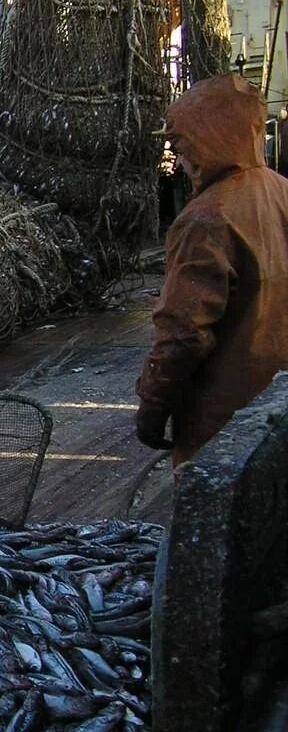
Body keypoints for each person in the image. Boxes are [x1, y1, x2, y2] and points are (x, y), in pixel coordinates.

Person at [135, 74, 288, 464]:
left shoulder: (206, 220)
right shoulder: (280, 190)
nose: (182, 160)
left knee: (219, 514)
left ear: (209, 140)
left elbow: (184, 331)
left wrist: (154, 403)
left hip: (227, 416)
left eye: (183, 147)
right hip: (278, 401)